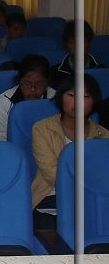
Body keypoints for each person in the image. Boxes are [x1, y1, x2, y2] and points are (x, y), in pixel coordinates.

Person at [30, 74, 108, 232]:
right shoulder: (42, 129)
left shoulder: (104, 136)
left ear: (94, 101)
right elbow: (51, 172)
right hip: (51, 196)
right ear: (61, 97)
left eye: (85, 96)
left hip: (91, 198)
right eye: (72, 95)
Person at [0, 54, 55, 141]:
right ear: (20, 80)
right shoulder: (4, 102)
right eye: (27, 84)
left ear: (47, 83)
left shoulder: (56, 99)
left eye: (39, 84)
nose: (33, 90)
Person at [50, 20, 104, 88]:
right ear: (66, 45)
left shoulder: (102, 71)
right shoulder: (54, 73)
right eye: (72, 42)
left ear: (90, 43)